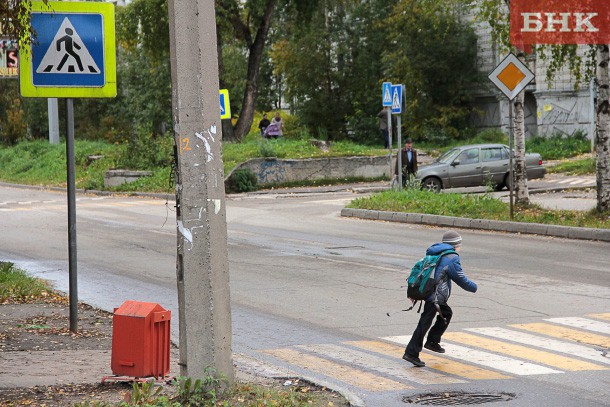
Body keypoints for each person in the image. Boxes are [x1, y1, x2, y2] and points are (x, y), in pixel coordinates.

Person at [402, 230, 477, 367]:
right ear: (455, 244)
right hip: (435, 296)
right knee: (425, 323)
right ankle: (412, 352)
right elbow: (460, 278)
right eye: (459, 244)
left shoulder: (435, 252)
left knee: (446, 314)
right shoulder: (451, 257)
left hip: (430, 291)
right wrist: (474, 287)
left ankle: (432, 341)